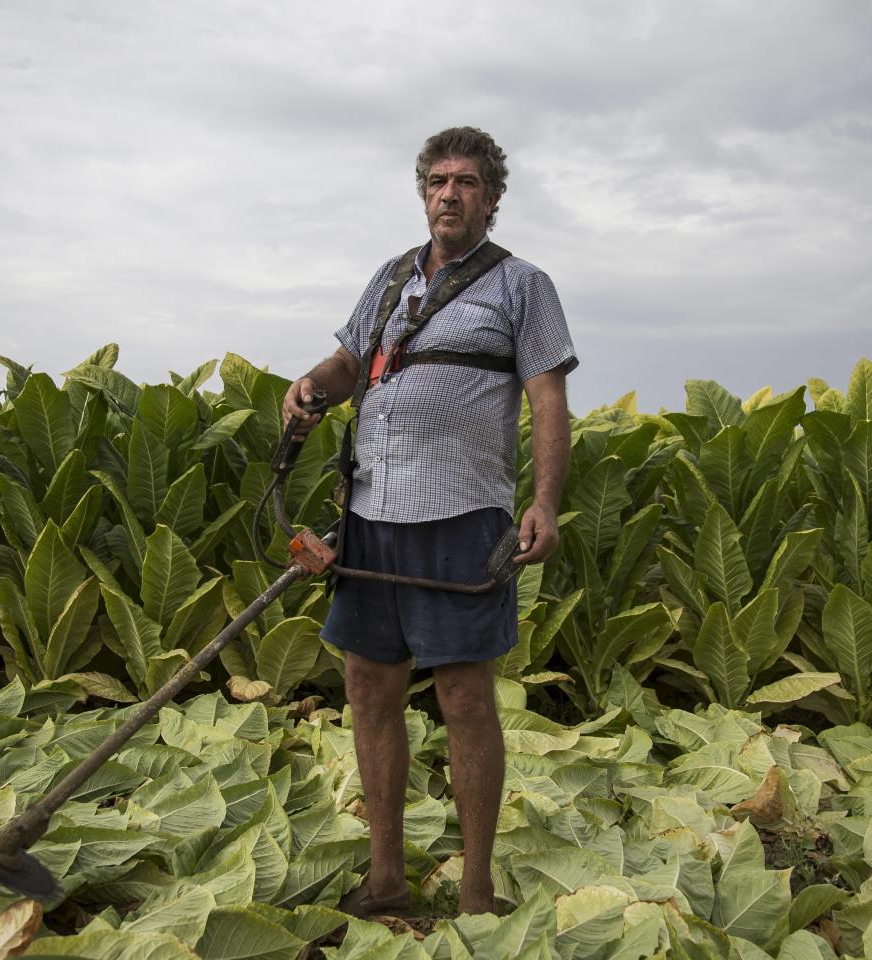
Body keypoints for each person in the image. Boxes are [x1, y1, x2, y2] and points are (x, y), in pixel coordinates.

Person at [282, 126, 577, 917]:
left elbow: (548, 398)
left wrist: (544, 502)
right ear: (423, 194)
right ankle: (385, 883)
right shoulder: (388, 279)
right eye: (438, 181)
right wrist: (312, 384)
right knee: (369, 689)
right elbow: (349, 364)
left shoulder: (522, 285)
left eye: (468, 182)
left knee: (465, 697)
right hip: (371, 509)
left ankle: (476, 892)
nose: (450, 193)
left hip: (461, 514)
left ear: (492, 197)